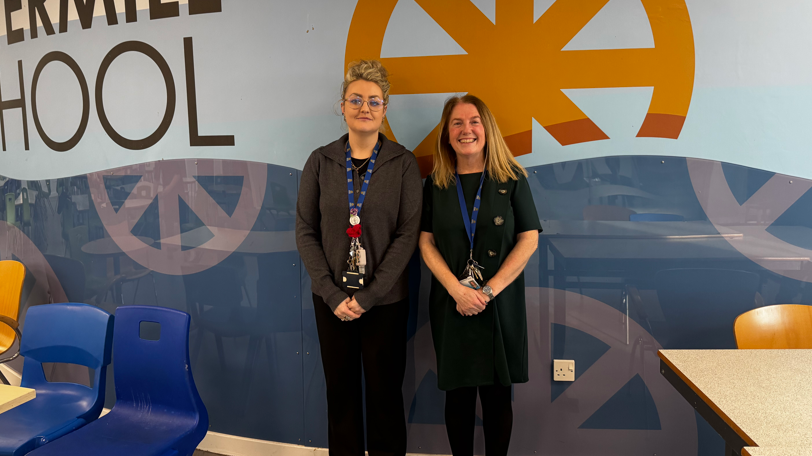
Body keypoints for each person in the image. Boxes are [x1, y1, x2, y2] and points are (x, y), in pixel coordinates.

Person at [295, 60, 422, 456]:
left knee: (385, 397)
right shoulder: (320, 161)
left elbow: (407, 235)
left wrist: (367, 297)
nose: (364, 107)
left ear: (385, 108)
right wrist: (333, 295)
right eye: (356, 99)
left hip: (384, 302)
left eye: (373, 100)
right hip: (331, 302)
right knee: (341, 396)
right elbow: (304, 229)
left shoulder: (403, 163)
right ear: (343, 105)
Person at [419, 95, 542, 456]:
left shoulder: (512, 179)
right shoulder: (436, 185)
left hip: (499, 304)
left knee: (497, 398)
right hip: (451, 302)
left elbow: (529, 240)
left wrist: (486, 292)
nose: (466, 130)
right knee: (457, 397)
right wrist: (457, 290)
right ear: (446, 133)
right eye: (456, 123)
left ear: (487, 129)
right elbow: (426, 243)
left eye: (474, 121)